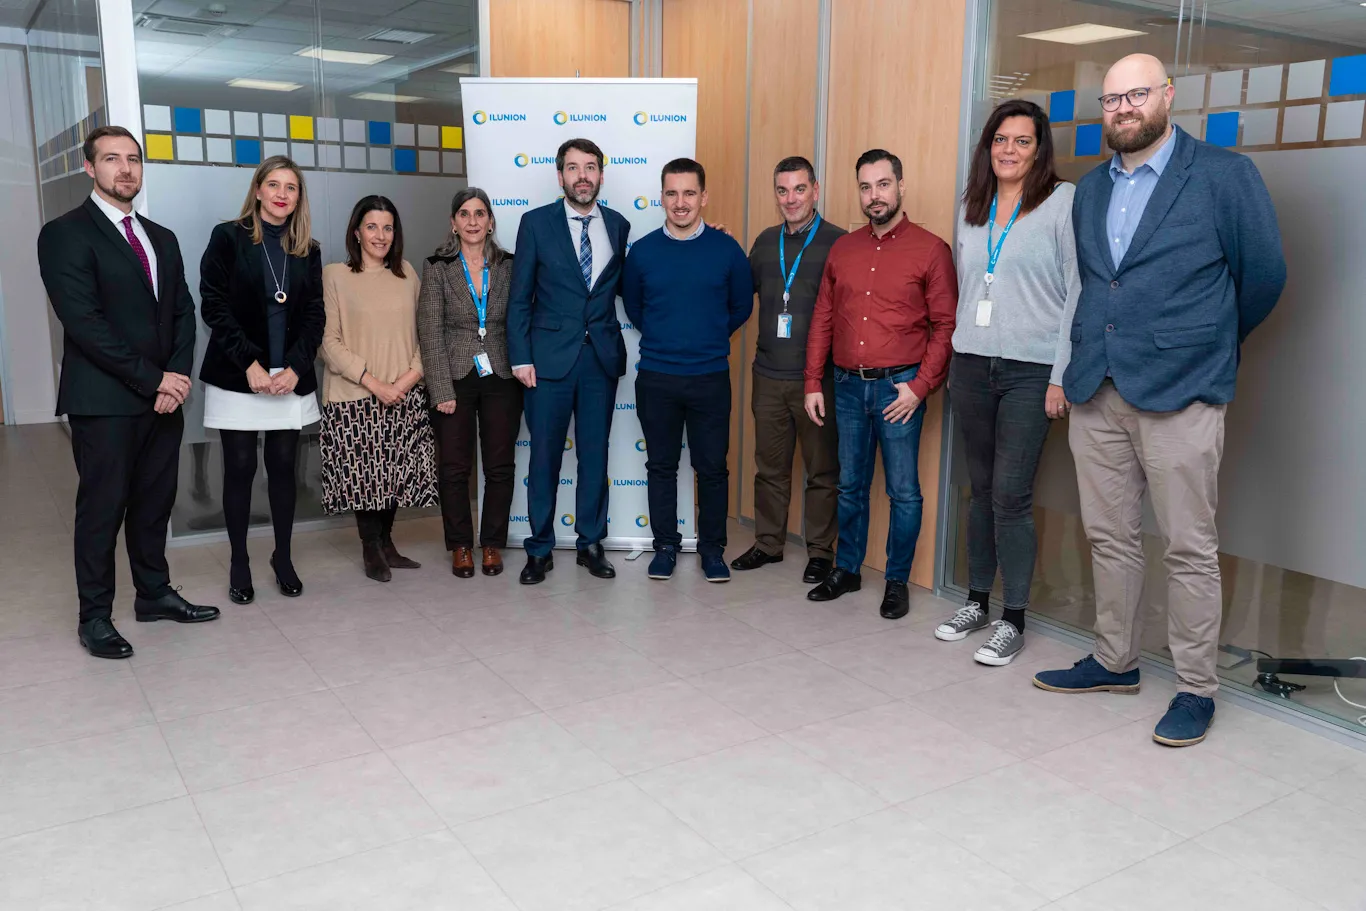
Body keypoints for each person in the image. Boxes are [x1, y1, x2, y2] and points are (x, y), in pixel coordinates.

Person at [1032, 54, 1286, 747]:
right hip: (1098, 391)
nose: (1123, 109)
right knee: (1110, 537)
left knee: (1188, 547)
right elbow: (1092, 285)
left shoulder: (1223, 177)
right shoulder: (1089, 191)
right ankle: (1116, 659)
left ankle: (1197, 686)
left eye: (1136, 94)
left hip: (1183, 393)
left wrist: (1207, 345)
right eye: (1111, 100)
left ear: (1167, 96)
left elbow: (1262, 276)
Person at [37, 125, 220, 659]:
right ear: (89, 168)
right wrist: (152, 377)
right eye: (112, 159)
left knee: (153, 504)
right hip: (105, 402)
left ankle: (154, 594)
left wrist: (177, 377)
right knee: (102, 510)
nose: (126, 169)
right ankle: (94, 616)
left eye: (134, 160)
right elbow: (85, 323)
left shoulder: (160, 237)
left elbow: (183, 314)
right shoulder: (65, 233)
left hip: (164, 400)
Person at [935, 100, 1080, 667]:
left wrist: (1061, 374)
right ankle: (975, 601)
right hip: (972, 364)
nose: (1009, 150)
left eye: (1022, 141)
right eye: (1001, 139)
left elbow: (1077, 291)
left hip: (1031, 370)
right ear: (987, 146)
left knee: (1010, 497)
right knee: (980, 490)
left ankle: (1012, 618)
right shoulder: (972, 206)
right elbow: (970, 287)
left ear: (1039, 149)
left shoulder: (1061, 202)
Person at [804, 149, 957, 620]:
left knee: (903, 491)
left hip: (900, 392)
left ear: (901, 186)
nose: (875, 196)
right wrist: (813, 380)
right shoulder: (843, 249)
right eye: (866, 187)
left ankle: (896, 580)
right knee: (850, 486)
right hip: (847, 387)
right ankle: (847, 570)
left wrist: (920, 386)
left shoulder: (931, 250)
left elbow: (946, 326)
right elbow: (824, 319)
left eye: (883, 184)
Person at [199, 156, 325, 604]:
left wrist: (294, 367)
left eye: (291, 187)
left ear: (298, 198)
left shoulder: (308, 249)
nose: (281, 194)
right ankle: (238, 561)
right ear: (257, 190)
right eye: (273, 184)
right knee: (239, 469)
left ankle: (283, 557)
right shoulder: (228, 237)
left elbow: (315, 316)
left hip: (289, 377)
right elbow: (212, 305)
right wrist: (250, 364)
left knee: (283, 471)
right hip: (238, 374)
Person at [623, 158, 754, 582]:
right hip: (657, 377)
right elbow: (635, 307)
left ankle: (712, 549)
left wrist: (708, 336)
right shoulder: (642, 252)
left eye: (689, 193)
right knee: (660, 466)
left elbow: (740, 307)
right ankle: (665, 546)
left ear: (704, 197)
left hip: (710, 377)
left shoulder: (726, 250)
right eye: (672, 193)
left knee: (712, 468)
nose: (681, 203)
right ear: (662, 196)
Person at [507, 138, 631, 584]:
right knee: (543, 459)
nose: (583, 175)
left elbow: (625, 291)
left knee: (595, 458)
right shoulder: (535, 223)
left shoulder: (618, 225)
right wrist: (520, 356)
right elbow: (519, 299)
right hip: (547, 363)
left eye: (591, 167)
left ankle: (590, 543)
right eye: (574, 168)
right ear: (559, 176)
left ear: (601, 174)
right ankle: (538, 548)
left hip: (599, 360)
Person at [730, 156, 845, 584]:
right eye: (782, 190)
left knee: (822, 471)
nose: (791, 199)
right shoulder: (763, 242)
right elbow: (736, 292)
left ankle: (819, 552)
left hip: (818, 381)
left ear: (816, 190)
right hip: (769, 376)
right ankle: (768, 543)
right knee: (770, 468)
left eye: (799, 189)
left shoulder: (840, 243)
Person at [319, 195, 436, 582]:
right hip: (356, 395)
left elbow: (427, 335)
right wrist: (373, 383)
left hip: (403, 394)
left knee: (394, 474)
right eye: (372, 226)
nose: (380, 235)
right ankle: (371, 546)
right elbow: (327, 342)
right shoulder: (335, 275)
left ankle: (387, 542)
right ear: (356, 231)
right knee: (364, 476)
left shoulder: (406, 274)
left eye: (388, 227)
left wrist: (404, 382)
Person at [418, 189, 522, 578]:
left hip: (502, 374)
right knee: (454, 468)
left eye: (480, 214)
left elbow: (521, 318)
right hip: (455, 376)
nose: (473, 221)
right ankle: (460, 544)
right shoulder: (437, 266)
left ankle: (492, 543)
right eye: (464, 214)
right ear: (453, 222)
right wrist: (440, 389)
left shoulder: (511, 265)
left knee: (499, 466)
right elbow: (429, 331)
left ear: (491, 221)